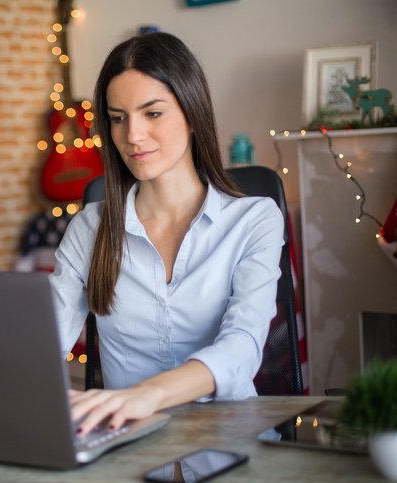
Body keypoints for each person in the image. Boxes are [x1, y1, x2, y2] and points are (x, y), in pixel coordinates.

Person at [49, 32, 284, 436]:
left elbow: (241, 348)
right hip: (126, 452)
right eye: (118, 117)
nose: (132, 135)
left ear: (192, 113)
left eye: (152, 113)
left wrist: (147, 395)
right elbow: (43, 342)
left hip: (230, 446)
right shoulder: (89, 229)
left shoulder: (254, 220)